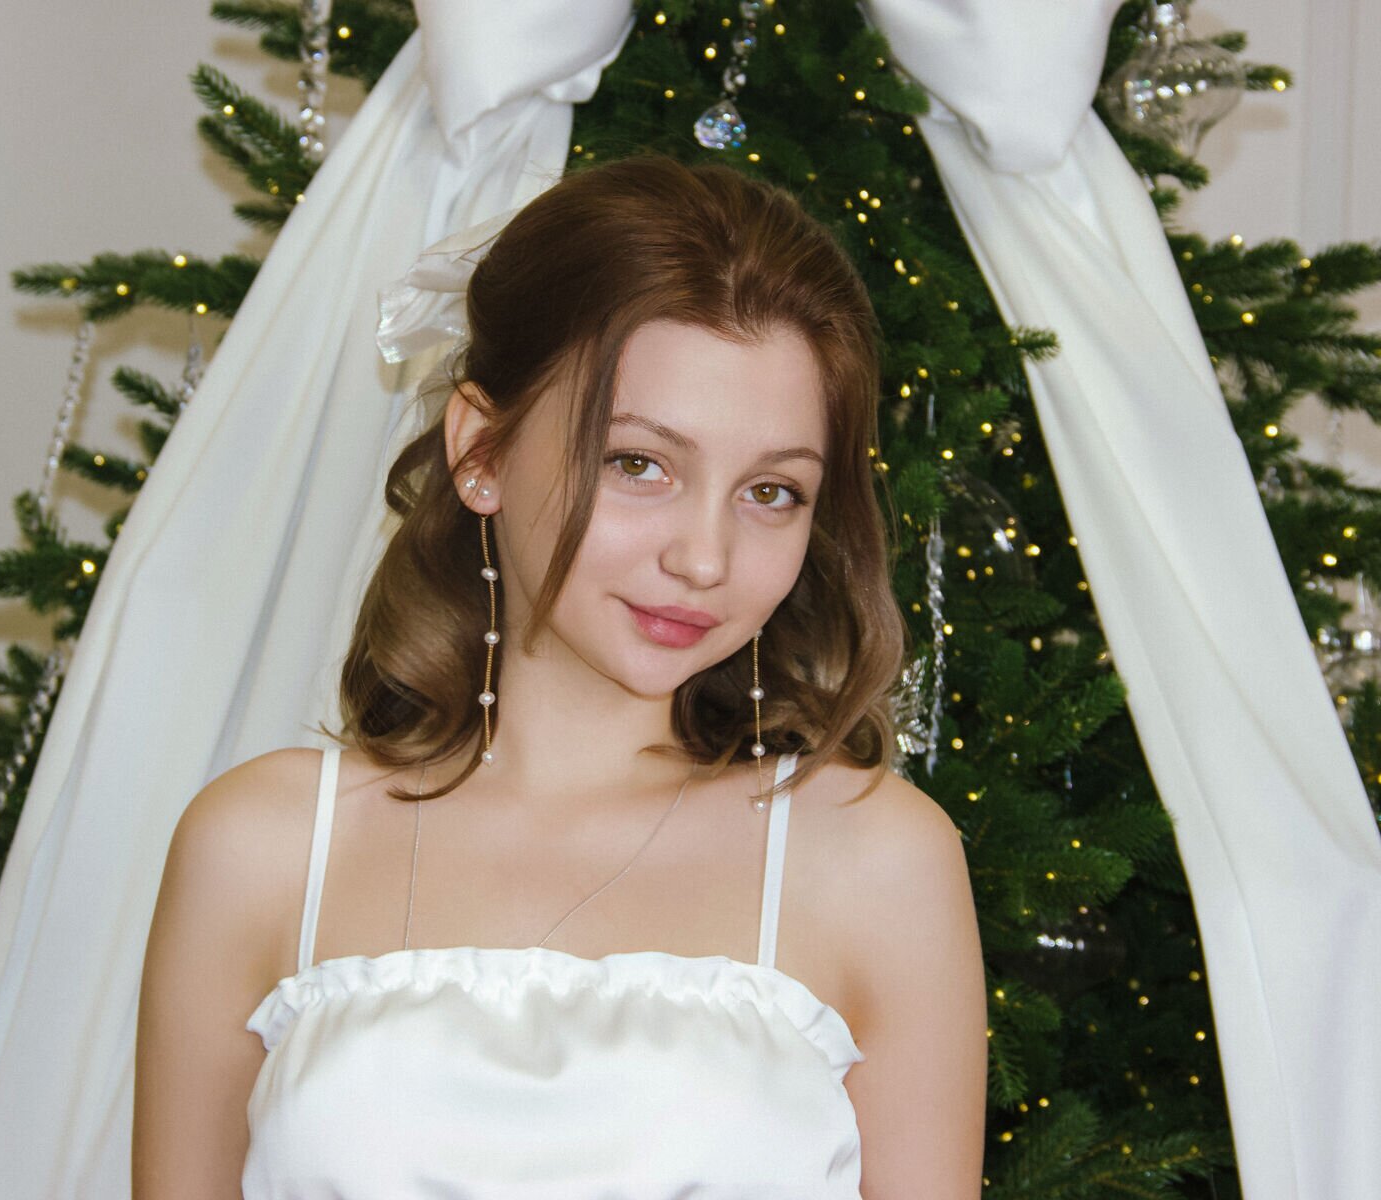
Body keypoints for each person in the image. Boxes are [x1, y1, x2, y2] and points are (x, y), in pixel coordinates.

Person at [132, 154, 987, 1199]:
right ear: (480, 451)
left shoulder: (878, 859)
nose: (704, 558)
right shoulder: (262, 848)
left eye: (771, 491)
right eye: (639, 464)